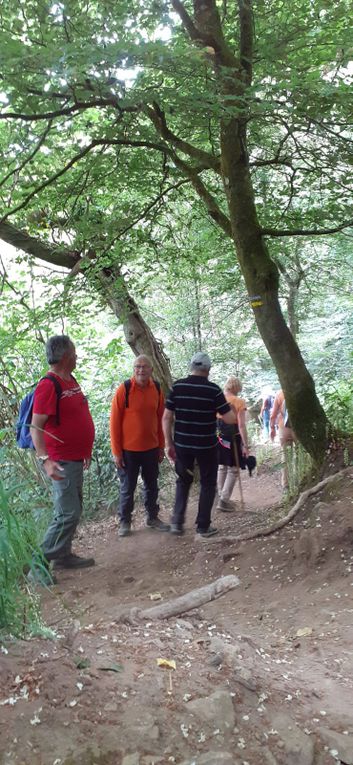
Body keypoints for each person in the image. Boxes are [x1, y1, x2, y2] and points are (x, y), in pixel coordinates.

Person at [30, 335, 95, 585]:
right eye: (75, 353)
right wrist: (45, 460)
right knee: (68, 513)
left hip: (75, 458)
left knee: (73, 509)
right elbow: (36, 427)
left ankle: (63, 556)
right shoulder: (49, 384)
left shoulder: (69, 380)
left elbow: (76, 416)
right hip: (60, 460)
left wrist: (84, 450)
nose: (77, 356)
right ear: (67, 356)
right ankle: (37, 565)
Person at [162, 352, 236, 538]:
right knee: (208, 483)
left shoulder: (178, 387)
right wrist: (233, 411)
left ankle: (177, 523)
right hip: (206, 446)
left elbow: (166, 417)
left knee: (183, 481)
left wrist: (167, 444)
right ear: (208, 370)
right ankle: (203, 526)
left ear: (191, 367)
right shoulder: (214, 391)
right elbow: (229, 418)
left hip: (182, 445)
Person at [110, 355, 169, 537]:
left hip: (151, 448)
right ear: (133, 369)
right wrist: (117, 452)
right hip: (128, 451)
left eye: (144, 367)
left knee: (152, 486)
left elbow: (161, 420)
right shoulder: (124, 389)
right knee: (128, 487)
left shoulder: (157, 389)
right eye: (137, 367)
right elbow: (114, 423)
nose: (141, 370)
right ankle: (125, 522)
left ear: (151, 370)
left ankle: (152, 517)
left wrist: (161, 446)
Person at [216, 376, 250, 512]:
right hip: (234, 437)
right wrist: (246, 445)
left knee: (222, 466)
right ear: (237, 387)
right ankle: (224, 500)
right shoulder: (239, 401)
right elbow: (241, 425)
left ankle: (221, 496)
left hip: (220, 437)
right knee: (233, 468)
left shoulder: (218, 400)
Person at [270, 389, 296, 488]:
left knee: (285, 456)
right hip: (298, 429)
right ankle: (299, 480)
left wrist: (272, 428)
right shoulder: (298, 390)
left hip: (283, 427)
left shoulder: (280, 393)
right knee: (299, 454)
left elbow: (273, 414)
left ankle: (285, 484)